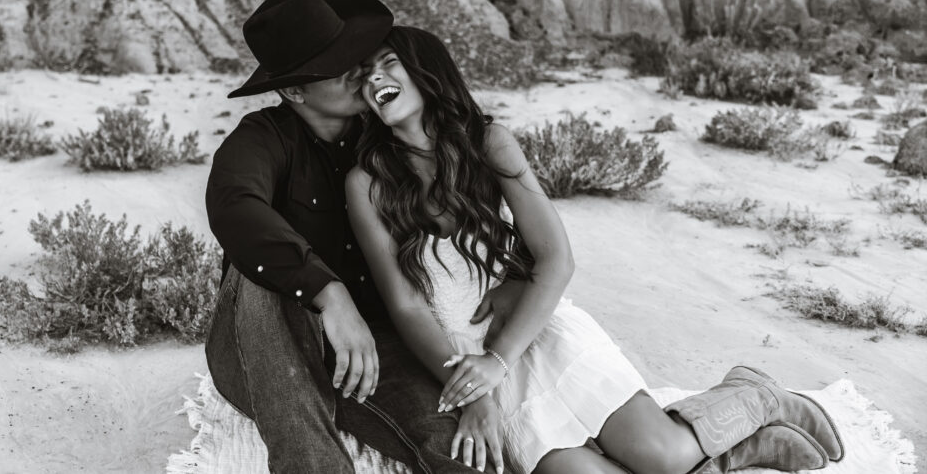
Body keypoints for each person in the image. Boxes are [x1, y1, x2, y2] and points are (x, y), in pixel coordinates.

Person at [345, 26, 845, 474]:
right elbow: (407, 306)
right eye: (366, 73)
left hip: (531, 331)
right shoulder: (367, 183)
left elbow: (556, 258)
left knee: (662, 458)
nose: (375, 78)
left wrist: (499, 358)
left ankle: (754, 394)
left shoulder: (488, 142)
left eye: (389, 63)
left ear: (428, 72)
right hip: (462, 360)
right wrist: (475, 389)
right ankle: (734, 452)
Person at [205, 0, 513, 473]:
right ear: (294, 91)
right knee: (257, 275)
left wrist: (514, 281)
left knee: (459, 442)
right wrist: (330, 293)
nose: (357, 69)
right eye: (334, 63)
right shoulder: (262, 140)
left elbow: (472, 205)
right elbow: (233, 206)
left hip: (373, 345)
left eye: (352, 53)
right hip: (262, 351)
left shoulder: (386, 138)